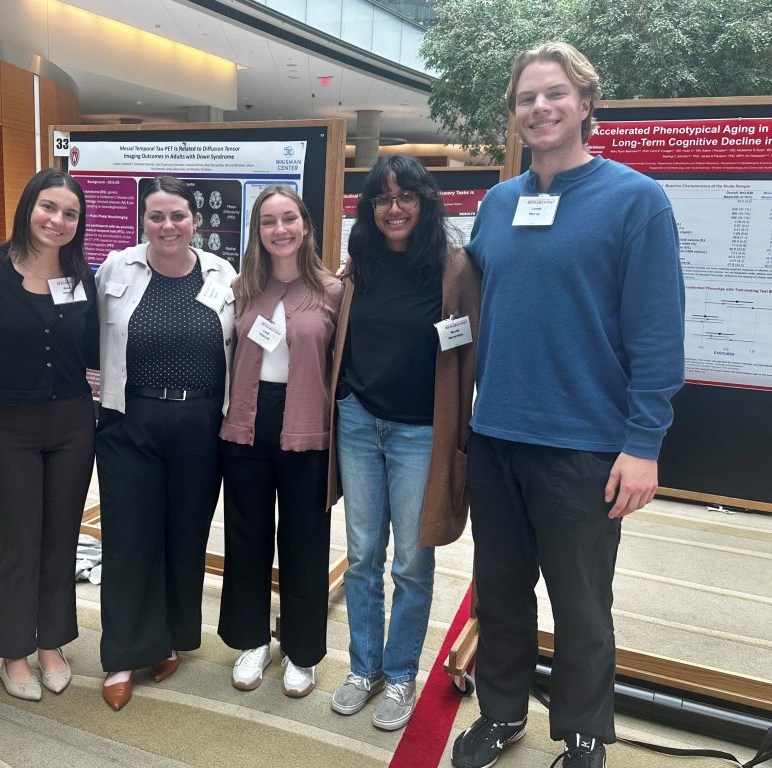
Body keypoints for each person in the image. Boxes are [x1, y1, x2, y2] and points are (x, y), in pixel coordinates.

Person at [450, 43, 684, 768]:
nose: (540, 109)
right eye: (526, 98)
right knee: (501, 591)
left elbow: (656, 331)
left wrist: (643, 444)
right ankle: (502, 714)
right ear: (514, 114)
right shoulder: (496, 203)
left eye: (555, 95)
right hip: (496, 436)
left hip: (583, 445)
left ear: (586, 105)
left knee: (582, 604)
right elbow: (476, 303)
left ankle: (585, 732)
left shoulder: (636, 200)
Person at [327, 153, 481, 731]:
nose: (394, 209)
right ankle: (362, 669)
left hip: (423, 431)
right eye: (382, 199)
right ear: (369, 209)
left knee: (413, 562)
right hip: (360, 424)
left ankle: (399, 676)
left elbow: (470, 352)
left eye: (405, 197)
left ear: (425, 202)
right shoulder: (357, 267)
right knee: (364, 555)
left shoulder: (454, 267)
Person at [95, 176, 236, 711]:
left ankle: (169, 637)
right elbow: (95, 336)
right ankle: (123, 655)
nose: (168, 226)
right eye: (157, 216)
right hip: (131, 419)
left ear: (194, 220)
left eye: (178, 215)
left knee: (185, 537)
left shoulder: (223, 274)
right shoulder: (117, 268)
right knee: (130, 540)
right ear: (143, 221)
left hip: (201, 422)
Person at [0, 169, 99, 701]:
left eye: (70, 213)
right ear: (28, 207)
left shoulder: (82, 273)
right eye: (48, 208)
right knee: (20, 540)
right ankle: (13, 653)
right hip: (9, 423)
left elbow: (90, 349)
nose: (58, 221)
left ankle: (52, 644)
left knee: (62, 537)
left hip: (71, 422)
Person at [217, 186, 343, 697]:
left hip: (307, 426)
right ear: (258, 232)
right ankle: (252, 640)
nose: (280, 229)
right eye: (268, 222)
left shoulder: (333, 290)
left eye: (289, 218)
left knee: (304, 543)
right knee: (246, 538)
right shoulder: (242, 287)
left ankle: (302, 650)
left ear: (306, 225)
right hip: (247, 424)